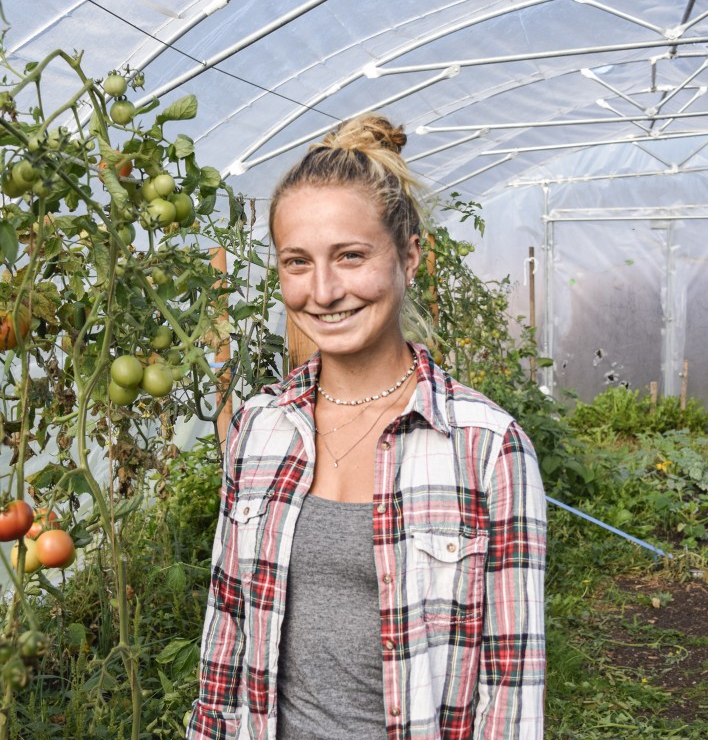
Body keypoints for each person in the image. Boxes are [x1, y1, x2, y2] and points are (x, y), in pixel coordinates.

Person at [186, 114, 546, 740]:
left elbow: (511, 693)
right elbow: (226, 641)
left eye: (350, 256)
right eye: (297, 262)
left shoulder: (486, 447)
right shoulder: (258, 429)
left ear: (409, 255)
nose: (323, 291)